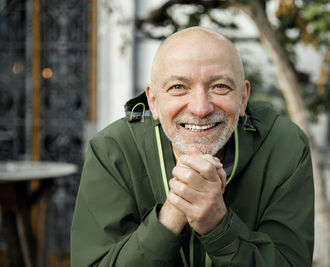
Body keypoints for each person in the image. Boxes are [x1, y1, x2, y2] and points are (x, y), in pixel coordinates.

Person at [71, 27, 314, 267]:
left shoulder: (284, 146)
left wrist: (218, 224)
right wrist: (173, 212)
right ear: (153, 101)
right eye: (178, 87)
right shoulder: (113, 151)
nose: (200, 108)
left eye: (220, 86)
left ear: (243, 98)